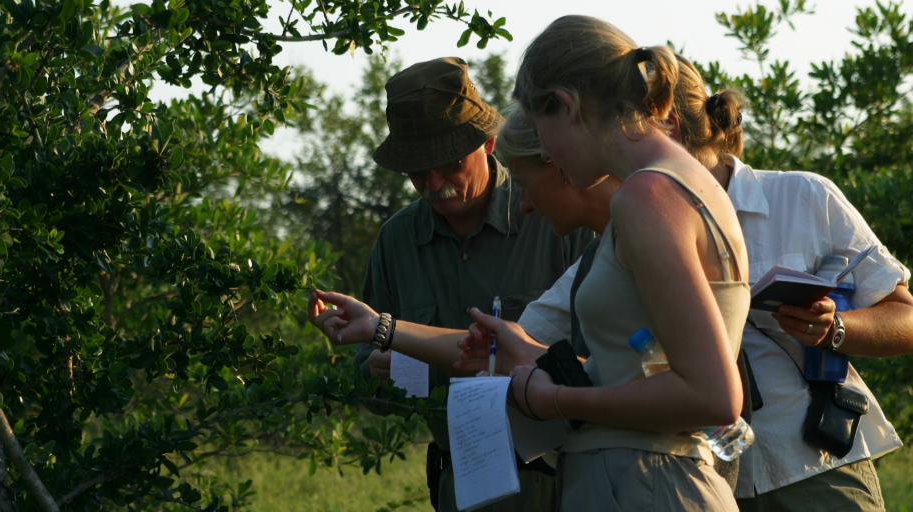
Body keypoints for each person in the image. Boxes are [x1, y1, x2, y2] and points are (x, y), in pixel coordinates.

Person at [461, 51, 913, 512]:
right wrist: (389, 333)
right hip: (703, 477)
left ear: (666, 123)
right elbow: (518, 337)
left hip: (815, 467)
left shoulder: (803, 196)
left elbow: (906, 319)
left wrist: (836, 328)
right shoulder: (628, 231)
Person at [492, 15, 750, 511]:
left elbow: (714, 398)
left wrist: (554, 400)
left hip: (645, 484)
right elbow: (656, 367)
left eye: (541, 131)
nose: (545, 152)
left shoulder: (648, 195)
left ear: (566, 106)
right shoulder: (679, 183)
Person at [326, 56, 594, 512]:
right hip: (459, 485)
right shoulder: (397, 241)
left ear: (488, 143)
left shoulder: (556, 216)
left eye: (448, 164)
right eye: (417, 170)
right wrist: (386, 370)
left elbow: (605, 363)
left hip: (563, 481)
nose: (434, 184)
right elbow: (373, 377)